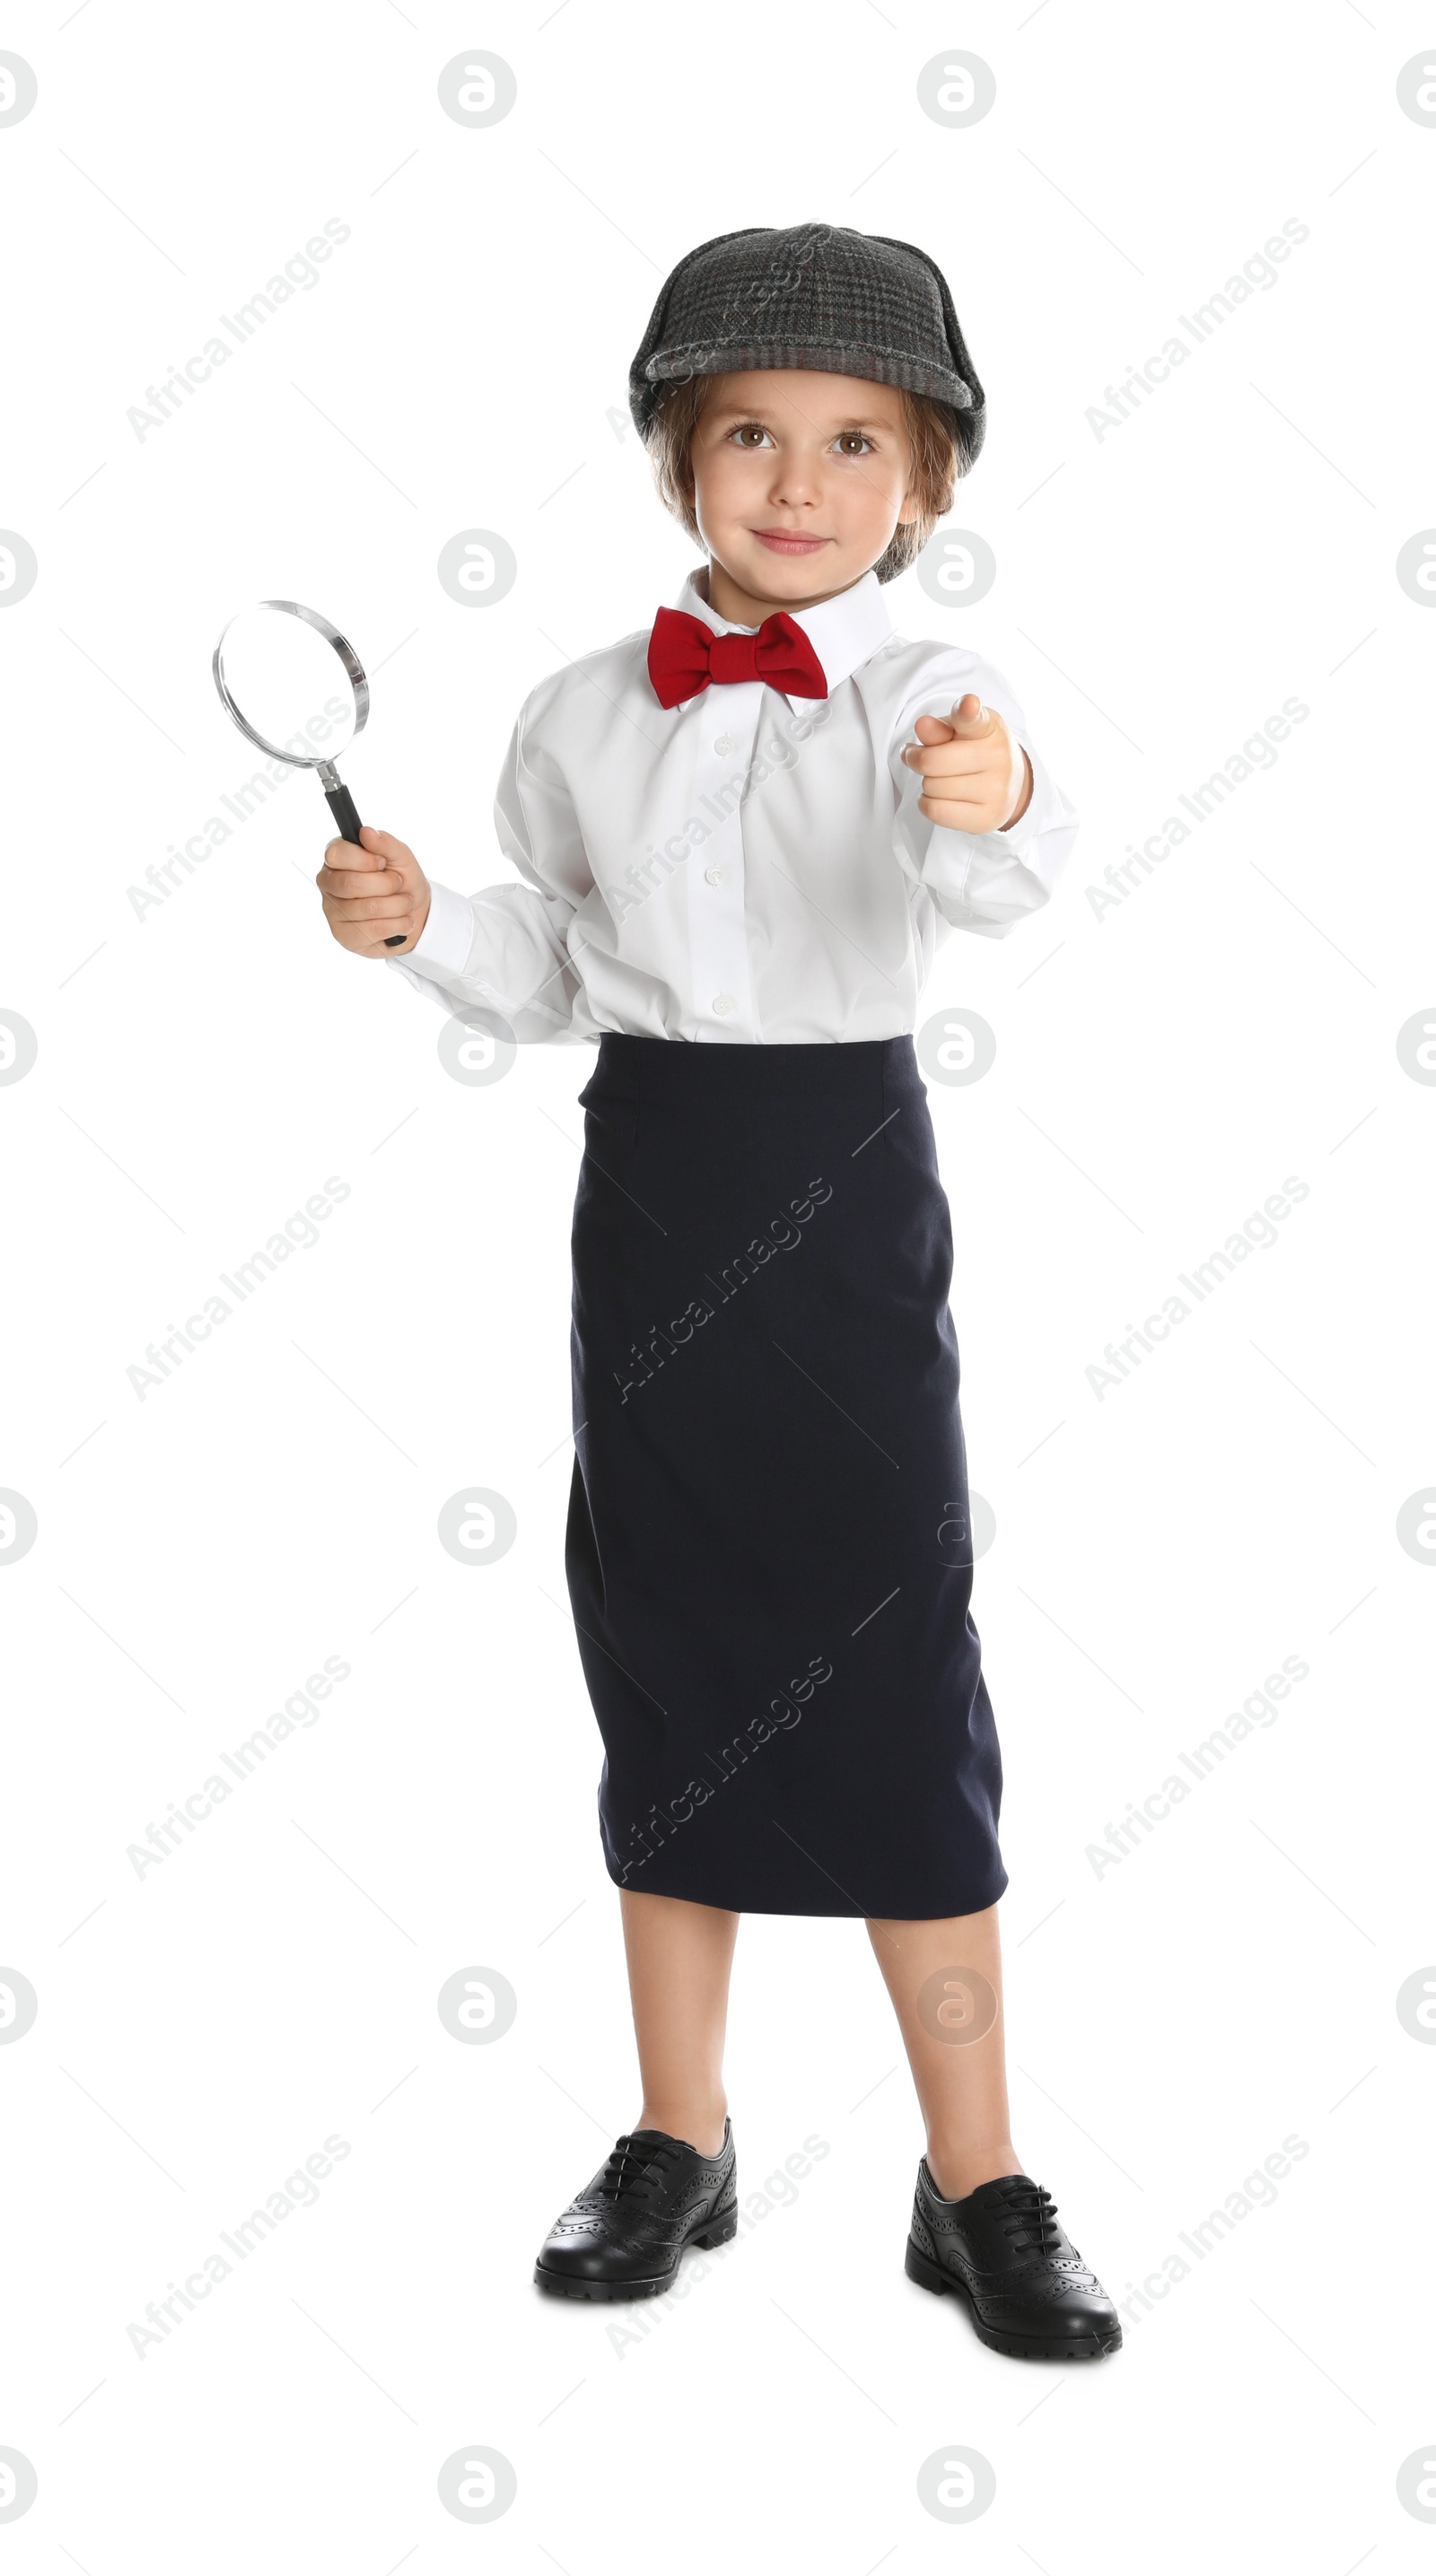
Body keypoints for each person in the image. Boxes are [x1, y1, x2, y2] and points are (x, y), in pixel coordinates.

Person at [316, 223, 1121, 2362]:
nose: (792, 476)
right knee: (664, 1643)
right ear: (676, 460)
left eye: (850, 438)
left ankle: (976, 2177)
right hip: (654, 1187)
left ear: (921, 483)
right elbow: (550, 960)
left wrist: (992, 788)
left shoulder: (938, 692)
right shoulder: (581, 709)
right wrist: (418, 926)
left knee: (889, 1650)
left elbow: (996, 864)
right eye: (744, 431)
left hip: (845, 1187)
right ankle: (680, 2131)